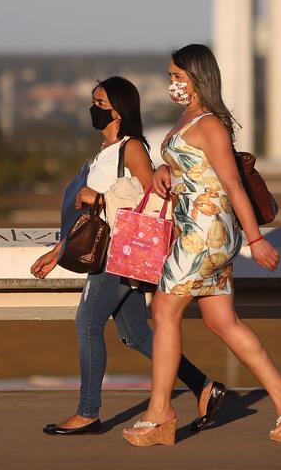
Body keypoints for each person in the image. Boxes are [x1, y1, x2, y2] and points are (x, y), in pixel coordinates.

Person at [122, 44, 281, 447]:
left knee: (164, 308)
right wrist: (164, 170)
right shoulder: (189, 118)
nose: (172, 83)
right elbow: (193, 167)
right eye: (171, 76)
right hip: (196, 229)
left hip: (205, 233)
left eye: (178, 76)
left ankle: (160, 414)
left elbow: (231, 184)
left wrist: (256, 239)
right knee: (221, 321)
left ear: (198, 78)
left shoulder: (210, 122)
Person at [29, 76, 226, 435]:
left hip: (121, 252)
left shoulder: (130, 148)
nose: (94, 109)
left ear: (118, 110)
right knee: (136, 335)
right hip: (108, 250)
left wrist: (100, 198)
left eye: (100, 103)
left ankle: (88, 412)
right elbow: (90, 218)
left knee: (87, 324)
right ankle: (204, 386)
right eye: (93, 102)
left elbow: (154, 197)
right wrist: (59, 251)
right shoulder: (103, 153)